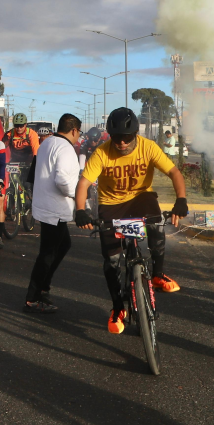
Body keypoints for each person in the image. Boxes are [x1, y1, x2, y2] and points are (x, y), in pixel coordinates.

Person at [75, 107, 189, 334]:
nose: (122, 143)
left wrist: (181, 200)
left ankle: (157, 274)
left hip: (140, 197)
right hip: (111, 204)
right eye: (117, 138)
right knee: (112, 259)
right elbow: (84, 183)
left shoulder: (148, 147)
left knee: (156, 223)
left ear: (135, 134)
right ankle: (118, 308)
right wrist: (80, 210)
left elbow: (174, 173)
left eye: (127, 138)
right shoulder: (102, 153)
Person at [24, 114, 82, 313]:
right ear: (74, 130)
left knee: (63, 245)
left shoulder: (47, 143)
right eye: (79, 133)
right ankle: (33, 297)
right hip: (56, 208)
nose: (78, 137)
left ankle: (43, 286)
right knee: (47, 254)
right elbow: (63, 181)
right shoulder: (66, 148)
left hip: (45, 205)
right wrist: (79, 195)